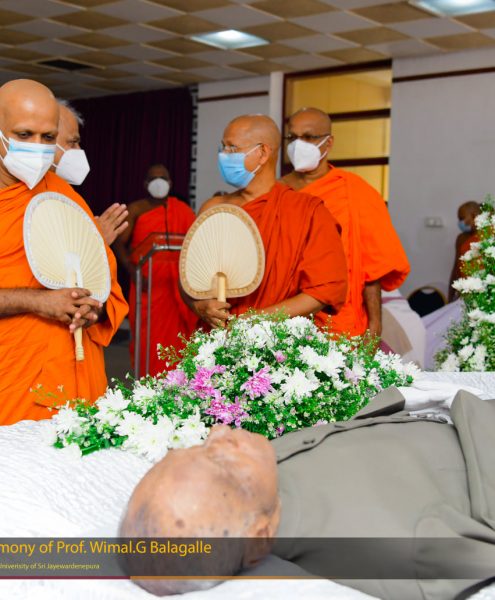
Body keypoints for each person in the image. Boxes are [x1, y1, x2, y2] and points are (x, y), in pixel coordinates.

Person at [121, 389, 495, 600]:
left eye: (198, 446)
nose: (218, 431)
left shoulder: (262, 476)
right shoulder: (403, 550)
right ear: (258, 539)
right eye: (221, 460)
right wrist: (469, 411)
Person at [0, 79, 128, 425]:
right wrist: (38, 301)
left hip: (73, 375)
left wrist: (91, 310)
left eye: (48, 137)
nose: (38, 147)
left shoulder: (64, 196)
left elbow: (104, 289)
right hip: (10, 380)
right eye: (24, 135)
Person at [182, 114, 348, 329]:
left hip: (280, 338)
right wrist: (199, 305)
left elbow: (323, 290)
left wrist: (252, 322)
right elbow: (188, 277)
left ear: (262, 153)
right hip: (217, 337)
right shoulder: (213, 209)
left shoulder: (308, 211)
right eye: (223, 147)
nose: (224, 155)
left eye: (232, 148)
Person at [282, 107, 410, 339]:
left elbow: (371, 267)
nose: (298, 145)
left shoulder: (354, 191)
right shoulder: (277, 191)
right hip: (284, 314)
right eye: (292, 137)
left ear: (329, 143)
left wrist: (375, 323)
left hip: (339, 317)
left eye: (308, 137)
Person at [113, 164, 197, 376]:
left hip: (178, 285)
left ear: (170, 183)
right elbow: (119, 244)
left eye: (163, 178)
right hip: (147, 283)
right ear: (145, 184)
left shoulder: (183, 211)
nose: (158, 182)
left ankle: (180, 380)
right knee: (147, 335)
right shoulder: (135, 209)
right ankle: (147, 379)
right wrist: (133, 270)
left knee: (179, 336)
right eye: (153, 178)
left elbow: (196, 244)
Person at [53, 99, 128, 246]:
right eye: (72, 142)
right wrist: (92, 241)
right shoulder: (19, 195)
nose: (79, 150)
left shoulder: (68, 195)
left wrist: (93, 239)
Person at [448, 200, 481, 302]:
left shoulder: (488, 237)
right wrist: (450, 297)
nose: (460, 223)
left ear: (474, 216)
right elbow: (456, 268)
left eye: (462, 218)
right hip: (464, 293)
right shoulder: (461, 239)